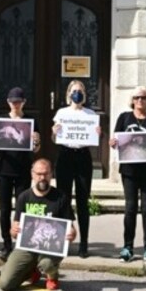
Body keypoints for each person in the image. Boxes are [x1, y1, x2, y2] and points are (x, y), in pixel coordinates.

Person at [108, 86, 146, 264]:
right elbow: (116, 141)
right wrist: (113, 144)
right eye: (137, 98)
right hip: (129, 171)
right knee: (130, 209)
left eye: (143, 98)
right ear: (132, 100)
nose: (140, 101)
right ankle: (128, 248)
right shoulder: (124, 118)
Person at [0, 159, 76, 291]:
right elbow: (14, 231)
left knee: (46, 264)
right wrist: (14, 230)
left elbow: (72, 229)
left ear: (52, 174)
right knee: (5, 284)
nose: (42, 177)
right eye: (39, 174)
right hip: (27, 247)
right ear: (32, 174)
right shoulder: (24, 197)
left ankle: (52, 276)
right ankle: (31, 270)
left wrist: (71, 234)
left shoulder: (61, 197)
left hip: (51, 248)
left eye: (46, 174)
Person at [0, 87, 41, 262]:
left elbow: (36, 149)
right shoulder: (0, 121)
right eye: (13, 101)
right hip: (4, 170)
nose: (15, 104)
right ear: (8, 102)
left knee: (22, 209)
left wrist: (36, 142)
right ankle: (6, 243)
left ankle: (21, 244)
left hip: (23, 169)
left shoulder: (31, 121)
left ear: (24, 102)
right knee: (4, 209)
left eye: (19, 101)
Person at [51, 80, 101, 258]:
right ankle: (61, 240)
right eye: (74, 91)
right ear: (68, 94)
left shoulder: (90, 114)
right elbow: (53, 137)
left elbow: (94, 139)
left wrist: (97, 133)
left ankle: (84, 244)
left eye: (80, 91)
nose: (77, 94)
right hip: (65, 156)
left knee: (83, 200)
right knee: (63, 199)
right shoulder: (61, 113)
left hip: (82, 157)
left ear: (84, 94)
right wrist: (54, 132)